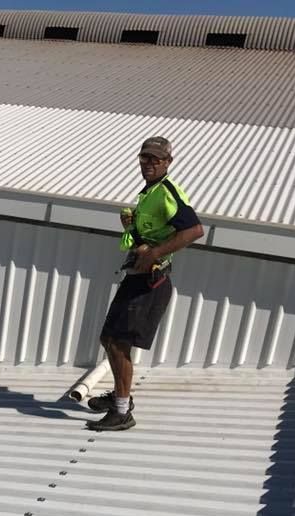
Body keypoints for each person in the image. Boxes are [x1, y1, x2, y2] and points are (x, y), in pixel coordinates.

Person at [87, 137, 204, 431]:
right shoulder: (149, 192)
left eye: (156, 159)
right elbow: (152, 235)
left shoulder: (167, 192)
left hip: (151, 282)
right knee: (109, 339)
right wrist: (132, 227)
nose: (149, 163)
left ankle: (122, 412)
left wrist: (154, 253)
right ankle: (120, 396)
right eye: (145, 158)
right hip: (137, 277)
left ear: (168, 162)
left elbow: (194, 230)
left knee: (118, 343)